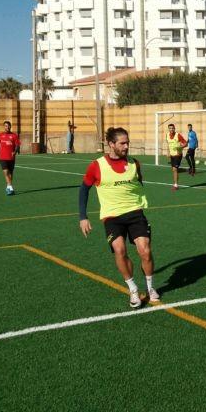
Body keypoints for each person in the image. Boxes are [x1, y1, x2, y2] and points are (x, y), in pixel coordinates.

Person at [79, 127, 160, 308]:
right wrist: (83, 217)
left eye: (127, 143)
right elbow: (84, 189)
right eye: (122, 143)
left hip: (135, 212)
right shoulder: (96, 165)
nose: (126, 146)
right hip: (111, 216)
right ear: (111, 144)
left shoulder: (134, 163)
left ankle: (150, 287)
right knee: (120, 250)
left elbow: (139, 183)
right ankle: (132, 288)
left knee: (145, 251)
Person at [0, 120, 21, 195]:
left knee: (10, 173)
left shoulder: (14, 136)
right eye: (5, 126)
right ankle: (11, 187)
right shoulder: (0, 135)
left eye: (8, 126)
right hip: (3, 157)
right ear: (4, 127)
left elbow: (18, 145)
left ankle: (8, 187)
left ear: (10, 127)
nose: (7, 127)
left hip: (11, 157)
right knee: (5, 172)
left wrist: (15, 152)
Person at [166, 123, 188, 190]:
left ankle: (175, 185)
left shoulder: (178, 135)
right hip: (172, 155)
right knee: (173, 170)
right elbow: (168, 145)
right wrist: (168, 153)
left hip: (178, 155)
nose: (171, 129)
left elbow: (186, 143)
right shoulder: (167, 135)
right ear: (168, 129)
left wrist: (180, 147)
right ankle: (176, 183)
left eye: (173, 128)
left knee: (175, 169)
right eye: (170, 128)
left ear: (174, 129)